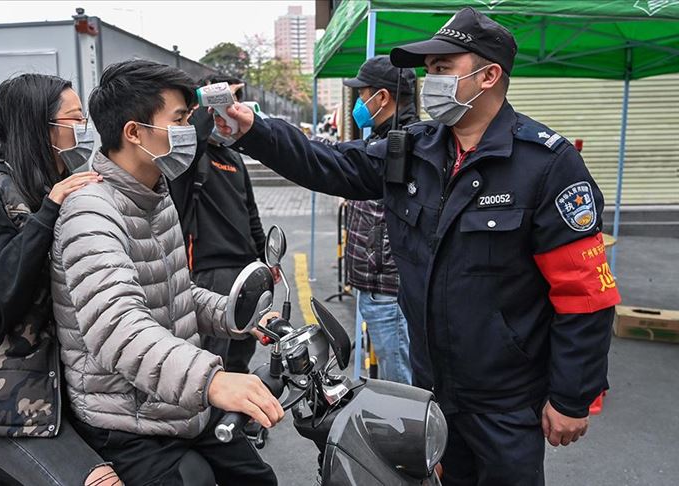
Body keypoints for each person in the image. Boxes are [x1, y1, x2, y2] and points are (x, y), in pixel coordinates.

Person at [214, 7, 621, 485]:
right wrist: (256, 132)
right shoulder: (413, 149)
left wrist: (572, 397)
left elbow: (584, 295)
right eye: (429, 70)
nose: (431, 82)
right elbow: (329, 163)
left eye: (443, 68)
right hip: (431, 391)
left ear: (489, 76)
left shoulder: (547, 165)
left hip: (506, 401)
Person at [49, 60, 281, 486]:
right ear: (134, 132)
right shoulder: (91, 213)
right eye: (179, 120)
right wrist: (213, 381)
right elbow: (118, 328)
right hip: (127, 418)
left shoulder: (155, 195)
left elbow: (176, 293)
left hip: (176, 402)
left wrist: (238, 316)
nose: (189, 131)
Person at [0, 74, 119, 485]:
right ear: (39, 127)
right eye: (74, 119)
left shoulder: (47, 185)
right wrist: (48, 213)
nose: (84, 129)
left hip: (60, 383)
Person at [169, 75, 266, 374]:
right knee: (213, 361)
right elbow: (196, 136)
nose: (230, 112)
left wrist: (265, 256)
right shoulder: (189, 159)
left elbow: (250, 211)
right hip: (210, 273)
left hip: (246, 269)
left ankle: (241, 403)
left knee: (241, 352)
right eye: (223, 105)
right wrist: (207, 98)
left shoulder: (234, 157)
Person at [342, 56, 418, 384]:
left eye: (363, 94)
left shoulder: (403, 146)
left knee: (400, 382)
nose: (359, 103)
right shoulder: (384, 140)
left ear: (382, 97)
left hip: (388, 291)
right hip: (378, 287)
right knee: (391, 373)